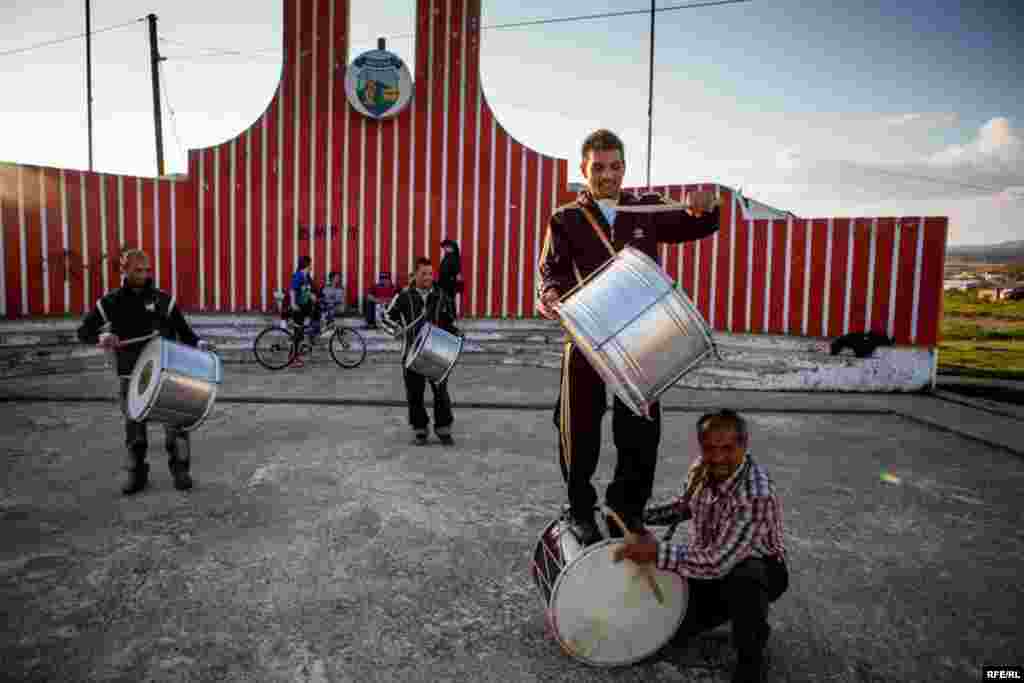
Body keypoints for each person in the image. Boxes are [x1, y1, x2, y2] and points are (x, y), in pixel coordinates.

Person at [537, 128, 721, 546]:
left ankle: (627, 508)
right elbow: (552, 271)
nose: (608, 175)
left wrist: (705, 207)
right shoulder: (565, 218)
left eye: (615, 166)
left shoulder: (648, 208)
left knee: (640, 430)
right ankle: (580, 509)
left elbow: (696, 224)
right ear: (583, 169)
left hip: (642, 338)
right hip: (585, 338)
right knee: (578, 427)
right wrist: (548, 294)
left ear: (624, 168)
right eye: (598, 167)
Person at [614, 409, 789, 683]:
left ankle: (751, 661)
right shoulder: (700, 468)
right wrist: (638, 517)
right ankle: (729, 618)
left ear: (744, 445)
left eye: (727, 449)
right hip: (706, 562)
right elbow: (684, 507)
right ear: (701, 446)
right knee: (668, 630)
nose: (718, 457)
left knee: (746, 578)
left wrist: (656, 551)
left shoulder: (757, 494)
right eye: (710, 448)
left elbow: (720, 561)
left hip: (756, 568)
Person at [77, 249, 209, 495]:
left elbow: (185, 332)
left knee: (177, 425)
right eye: (138, 270)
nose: (144, 274)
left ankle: (181, 470)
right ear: (123, 270)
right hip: (131, 376)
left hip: (167, 374)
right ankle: (136, 474)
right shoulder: (110, 302)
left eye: (147, 270)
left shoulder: (163, 300)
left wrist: (199, 344)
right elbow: (83, 332)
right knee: (135, 431)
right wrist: (102, 335)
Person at [383, 258, 459, 446]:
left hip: (436, 352)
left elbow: (451, 321)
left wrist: (455, 334)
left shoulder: (441, 295)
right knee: (414, 394)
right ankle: (420, 430)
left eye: (430, 274)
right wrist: (396, 330)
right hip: (411, 353)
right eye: (423, 273)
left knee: (441, 393)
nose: (427, 277)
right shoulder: (403, 296)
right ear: (415, 274)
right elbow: (385, 317)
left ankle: (443, 429)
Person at [289, 256, 318, 369]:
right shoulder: (299, 275)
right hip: (297, 308)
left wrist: (312, 296)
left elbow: (306, 290)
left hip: (303, 307)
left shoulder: (306, 277)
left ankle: (296, 356)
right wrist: (293, 304)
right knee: (298, 334)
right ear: (307, 265)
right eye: (310, 264)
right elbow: (292, 290)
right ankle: (292, 359)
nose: (312, 266)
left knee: (300, 334)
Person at [438, 239, 462, 317]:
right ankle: (447, 316)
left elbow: (458, 273)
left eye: (446, 247)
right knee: (445, 301)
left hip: (449, 284)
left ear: (452, 248)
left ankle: (451, 317)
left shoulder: (454, 258)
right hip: (444, 283)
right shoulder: (447, 257)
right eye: (444, 247)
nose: (444, 249)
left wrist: (456, 284)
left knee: (449, 301)